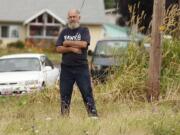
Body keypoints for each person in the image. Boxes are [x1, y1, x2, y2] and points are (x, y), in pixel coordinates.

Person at [56, 9, 98, 117]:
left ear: (79, 18)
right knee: (65, 94)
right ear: (67, 18)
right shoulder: (64, 32)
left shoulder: (84, 30)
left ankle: (93, 116)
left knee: (86, 92)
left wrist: (67, 43)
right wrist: (72, 49)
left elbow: (84, 44)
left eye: (74, 16)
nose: (72, 19)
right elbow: (59, 48)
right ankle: (64, 117)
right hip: (66, 69)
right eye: (70, 17)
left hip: (81, 68)